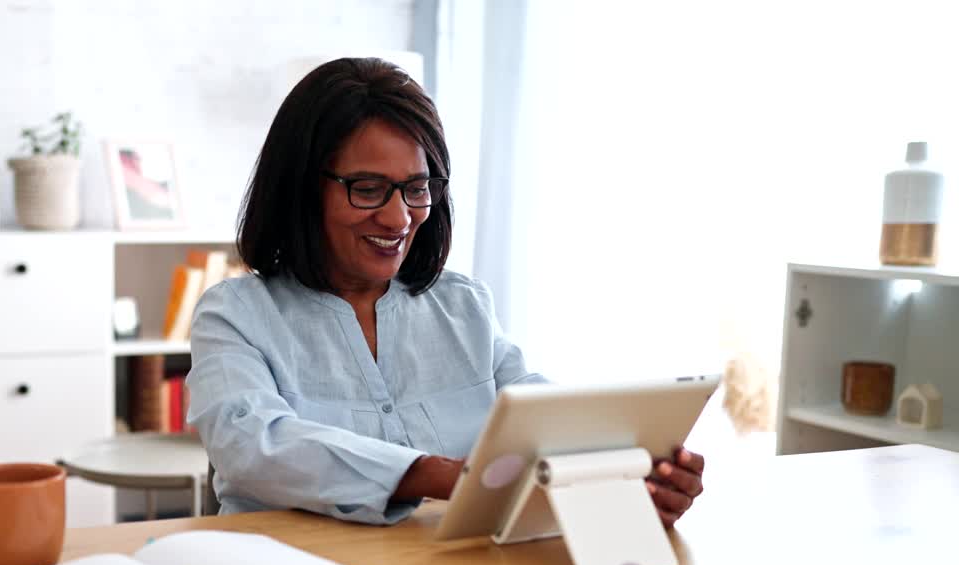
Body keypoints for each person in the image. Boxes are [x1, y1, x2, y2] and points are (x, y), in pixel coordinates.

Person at [186, 57, 704, 526]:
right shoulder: (235, 315)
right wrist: (438, 475)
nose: (399, 218)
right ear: (302, 190)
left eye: (417, 188)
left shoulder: (465, 307)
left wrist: (630, 477)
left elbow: (542, 416)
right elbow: (250, 443)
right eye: (367, 188)